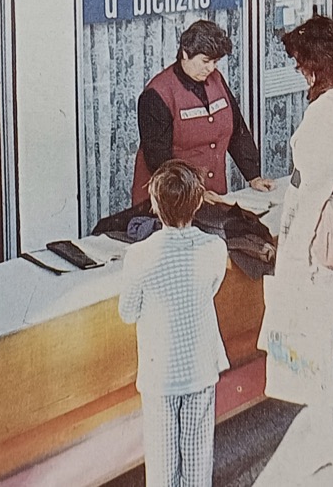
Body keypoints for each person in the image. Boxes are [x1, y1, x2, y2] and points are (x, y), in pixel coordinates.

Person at [262, 15, 333, 479]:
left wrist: (294, 256)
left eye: (300, 61)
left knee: (315, 335)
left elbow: (314, 188)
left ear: (314, 61)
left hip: (315, 229)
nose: (297, 69)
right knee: (331, 335)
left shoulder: (324, 111)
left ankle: (323, 438)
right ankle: (326, 427)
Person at [118, 159, 229, 487]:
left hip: (160, 374)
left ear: (154, 205)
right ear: (198, 203)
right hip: (201, 368)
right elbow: (210, 289)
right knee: (197, 457)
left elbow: (127, 313)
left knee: (162, 462)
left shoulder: (139, 256)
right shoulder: (215, 247)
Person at [132, 20, 274, 205]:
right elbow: (158, 160)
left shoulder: (216, 79)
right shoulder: (156, 94)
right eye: (205, 61)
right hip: (170, 203)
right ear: (185, 53)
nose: (211, 68)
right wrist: (195, 193)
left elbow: (237, 131)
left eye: (215, 62)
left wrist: (253, 176)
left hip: (212, 196)